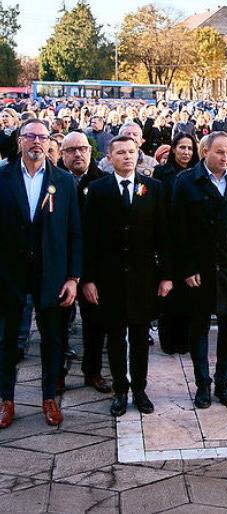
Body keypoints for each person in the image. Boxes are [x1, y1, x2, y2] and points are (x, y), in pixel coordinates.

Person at [0, 119, 82, 428]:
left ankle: (49, 398)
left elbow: (75, 233)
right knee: (7, 340)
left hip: (52, 274)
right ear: (19, 141)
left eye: (42, 137)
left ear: (50, 144)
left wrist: (73, 277)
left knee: (52, 339)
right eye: (30, 136)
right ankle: (6, 400)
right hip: (10, 275)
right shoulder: (3, 177)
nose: (37, 142)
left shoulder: (62, 181)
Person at [82, 136, 172, 417]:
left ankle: (140, 390)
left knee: (140, 336)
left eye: (132, 152)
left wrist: (167, 276)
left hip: (144, 277)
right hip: (109, 279)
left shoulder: (154, 188)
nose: (127, 157)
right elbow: (89, 238)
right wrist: (88, 279)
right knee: (116, 338)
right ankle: (120, 390)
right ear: (109, 157)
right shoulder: (97, 190)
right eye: (120, 152)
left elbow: (165, 237)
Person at [172, 131, 227, 408]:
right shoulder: (186, 182)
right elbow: (179, 231)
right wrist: (187, 268)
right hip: (200, 267)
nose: (225, 157)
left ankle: (223, 382)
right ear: (205, 152)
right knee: (198, 327)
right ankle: (202, 385)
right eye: (219, 152)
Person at [59, 131, 111, 394]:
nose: (78, 154)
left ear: (91, 152)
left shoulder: (103, 183)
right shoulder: (53, 180)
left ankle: (92, 372)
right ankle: (56, 374)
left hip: (93, 267)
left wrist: (89, 276)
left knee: (94, 324)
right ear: (62, 154)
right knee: (58, 324)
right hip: (61, 266)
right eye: (71, 150)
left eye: (83, 148)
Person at [153, 132, 200, 355]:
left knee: (189, 295)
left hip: (191, 240)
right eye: (182, 148)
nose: (186, 152)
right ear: (173, 149)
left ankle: (186, 340)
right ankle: (169, 340)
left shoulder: (197, 174)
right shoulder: (162, 173)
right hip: (168, 238)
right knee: (169, 293)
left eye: (190, 148)